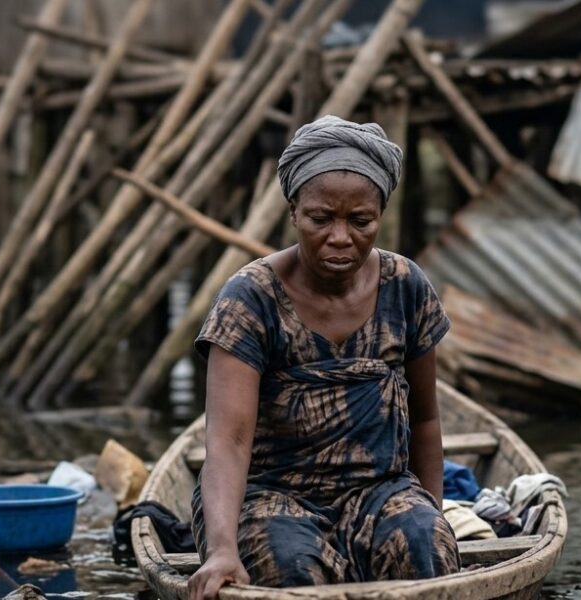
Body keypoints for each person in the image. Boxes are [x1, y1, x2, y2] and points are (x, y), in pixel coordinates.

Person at [188, 115, 460, 600]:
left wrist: (430, 514)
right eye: (320, 219)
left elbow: (425, 420)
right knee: (289, 569)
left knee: (427, 549)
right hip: (268, 495)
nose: (340, 237)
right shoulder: (250, 300)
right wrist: (222, 548)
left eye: (360, 221)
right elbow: (226, 441)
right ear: (293, 211)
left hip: (381, 491)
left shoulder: (406, 286)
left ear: (380, 215)